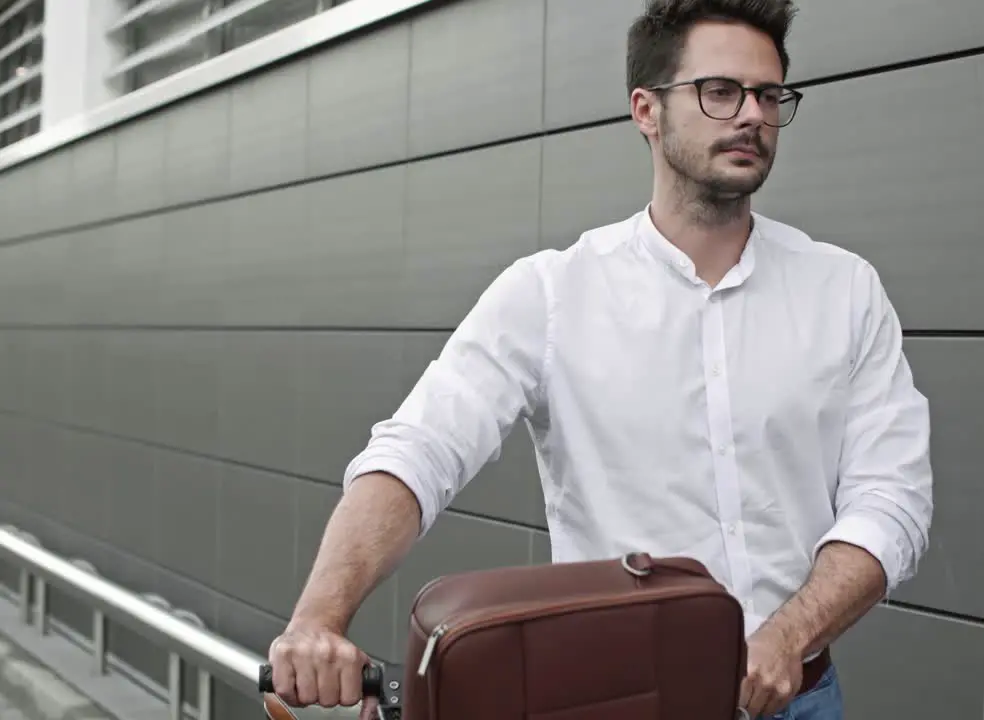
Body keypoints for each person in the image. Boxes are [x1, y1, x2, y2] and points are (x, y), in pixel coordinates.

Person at [267, 1, 933, 718]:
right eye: (720, 91)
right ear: (646, 110)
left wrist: (786, 636)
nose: (751, 115)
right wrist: (318, 618)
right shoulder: (552, 293)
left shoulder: (844, 288)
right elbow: (417, 452)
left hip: (800, 699)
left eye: (769, 95)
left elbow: (891, 503)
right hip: (619, 700)